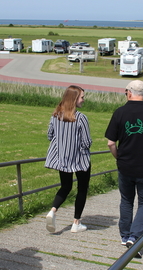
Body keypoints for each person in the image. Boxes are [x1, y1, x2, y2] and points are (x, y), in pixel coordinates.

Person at [105, 80, 143, 256]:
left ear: (128, 93)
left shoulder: (119, 113)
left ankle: (125, 236)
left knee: (126, 200)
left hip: (125, 167)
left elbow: (110, 143)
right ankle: (135, 236)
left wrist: (119, 157)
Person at [45, 85, 92, 233]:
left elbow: (49, 135)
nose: (83, 100)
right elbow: (86, 142)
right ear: (74, 99)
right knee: (82, 189)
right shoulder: (81, 118)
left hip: (62, 159)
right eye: (82, 97)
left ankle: (52, 210)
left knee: (65, 187)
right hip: (80, 160)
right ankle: (76, 223)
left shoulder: (56, 115)